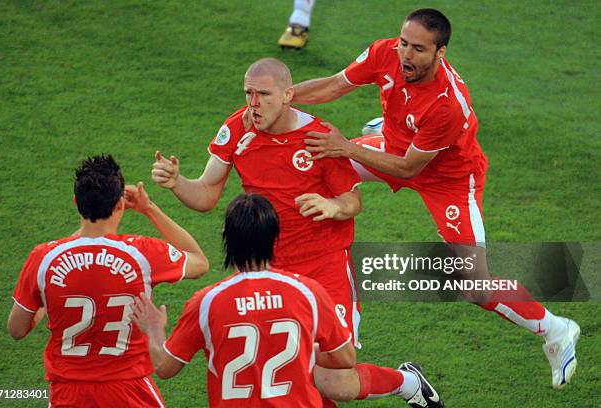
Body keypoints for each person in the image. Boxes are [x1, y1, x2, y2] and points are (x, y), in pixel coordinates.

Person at [291, 8, 580, 389]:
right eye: (403, 44)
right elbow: (335, 85)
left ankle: (557, 330)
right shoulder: (385, 53)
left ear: (440, 53)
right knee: (314, 171)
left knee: (474, 285)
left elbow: (408, 169)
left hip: (448, 179)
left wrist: (345, 147)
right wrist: (284, 96)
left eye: (418, 50)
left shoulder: (448, 103)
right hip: (398, 148)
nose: (406, 55)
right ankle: (339, 299)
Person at [151, 58, 444, 407]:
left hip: (323, 269)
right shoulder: (238, 129)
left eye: (263, 94)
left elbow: (352, 201)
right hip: (266, 272)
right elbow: (206, 193)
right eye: (248, 93)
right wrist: (176, 183)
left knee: (333, 381)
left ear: (289, 95)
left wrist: (333, 206)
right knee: (292, 372)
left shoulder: (318, 137)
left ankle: (407, 383)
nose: (253, 103)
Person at [132, 193, 444, 407]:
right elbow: (345, 358)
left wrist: (154, 328)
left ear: (227, 240)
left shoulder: (207, 302)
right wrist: (301, 351)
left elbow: (165, 367)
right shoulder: (307, 292)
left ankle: (407, 382)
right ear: (275, 239)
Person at [7, 154, 209, 407]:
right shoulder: (143, 253)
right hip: (130, 393)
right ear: (120, 205)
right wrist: (149, 209)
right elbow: (200, 262)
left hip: (67, 396)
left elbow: (16, 330)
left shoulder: (43, 258)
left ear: (76, 203)